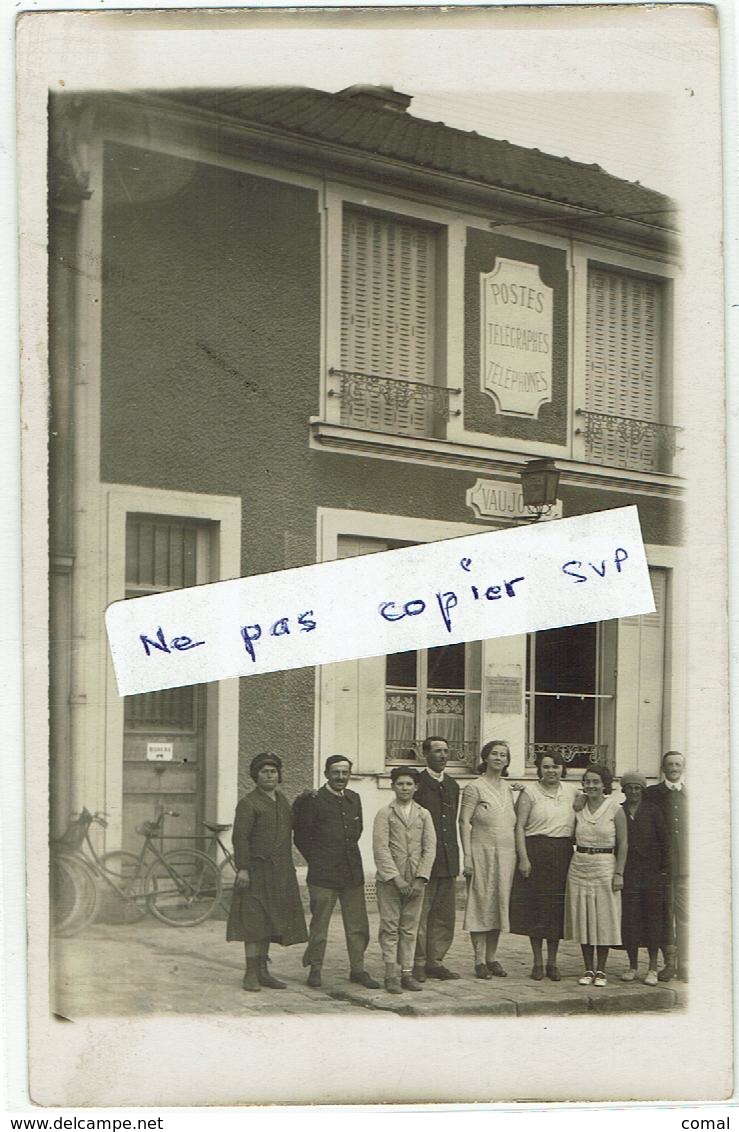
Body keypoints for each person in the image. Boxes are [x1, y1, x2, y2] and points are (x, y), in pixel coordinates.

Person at [292, 755, 380, 989]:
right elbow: (301, 836)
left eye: (345, 773)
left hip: (351, 872)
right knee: (320, 926)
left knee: (358, 925)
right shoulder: (314, 800)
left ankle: (358, 970)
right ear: (326, 774)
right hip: (323, 875)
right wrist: (319, 859)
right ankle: (315, 969)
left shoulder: (354, 798)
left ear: (349, 775)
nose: (341, 777)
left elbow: (356, 831)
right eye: (336, 772)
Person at [226, 752, 308, 992]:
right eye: (264, 771)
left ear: (279, 775)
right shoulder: (248, 803)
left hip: (280, 873)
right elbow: (240, 838)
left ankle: (263, 972)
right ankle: (250, 974)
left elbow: (295, 824)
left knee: (271, 921)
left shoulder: (282, 801)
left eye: (273, 771)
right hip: (255, 872)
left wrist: (305, 802)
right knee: (254, 923)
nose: (270, 775)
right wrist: (243, 869)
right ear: (256, 776)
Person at [510, 750, 578, 981]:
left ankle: (553, 962)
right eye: (547, 766)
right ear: (539, 769)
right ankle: (537, 962)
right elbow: (519, 827)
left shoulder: (571, 792)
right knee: (537, 908)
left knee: (556, 909)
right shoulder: (530, 792)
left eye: (556, 766)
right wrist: (524, 858)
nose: (551, 771)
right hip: (536, 852)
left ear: (562, 769)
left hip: (562, 854)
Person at [372, 766, 437, 994]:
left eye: (409, 784)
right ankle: (391, 974)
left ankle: (406, 973)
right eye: (400, 784)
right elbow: (380, 848)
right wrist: (395, 878)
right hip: (391, 881)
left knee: (410, 928)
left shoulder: (423, 814)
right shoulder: (385, 813)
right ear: (392, 786)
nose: (405, 788)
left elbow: (430, 849)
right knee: (390, 927)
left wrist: (420, 878)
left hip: (415, 880)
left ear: (416, 787)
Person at [564, 763, 628, 987]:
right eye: (587, 782)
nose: (591, 786)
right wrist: (576, 804)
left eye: (596, 782)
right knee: (584, 918)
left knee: (603, 918)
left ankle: (601, 970)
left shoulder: (614, 809)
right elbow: (570, 834)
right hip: (580, 865)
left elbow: (624, 843)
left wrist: (619, 873)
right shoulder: (578, 808)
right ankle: (588, 968)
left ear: (605, 785)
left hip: (605, 867)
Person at [459, 739, 517, 979]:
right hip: (482, 852)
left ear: (507, 760)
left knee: (498, 903)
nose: (498, 758)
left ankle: (492, 957)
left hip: (506, 854)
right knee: (481, 902)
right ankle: (479, 959)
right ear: (485, 757)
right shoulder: (475, 787)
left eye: (503, 755)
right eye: (494, 753)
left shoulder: (508, 788)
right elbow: (464, 821)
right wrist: (468, 857)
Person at [412, 736, 461, 983]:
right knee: (421, 914)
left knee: (444, 916)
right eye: (437, 751)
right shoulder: (417, 784)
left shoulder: (452, 785)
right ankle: (418, 962)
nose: (443, 755)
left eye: (446, 751)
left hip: (448, 860)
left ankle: (436, 961)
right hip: (425, 862)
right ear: (425, 755)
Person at [619, 770, 672, 986]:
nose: (633, 792)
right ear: (623, 790)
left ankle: (652, 967)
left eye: (637, 788)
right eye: (629, 788)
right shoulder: (619, 811)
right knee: (630, 919)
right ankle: (632, 965)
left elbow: (665, 842)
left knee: (653, 920)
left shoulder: (653, 811)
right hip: (629, 874)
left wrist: (663, 871)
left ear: (642, 790)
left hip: (652, 875)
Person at [646, 751, 688, 982]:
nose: (673, 768)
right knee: (664, 916)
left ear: (683, 767)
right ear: (663, 768)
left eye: (677, 764)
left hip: (685, 867)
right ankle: (669, 963)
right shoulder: (652, 794)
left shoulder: (692, 795)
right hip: (661, 866)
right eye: (670, 764)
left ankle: (685, 963)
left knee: (684, 916)